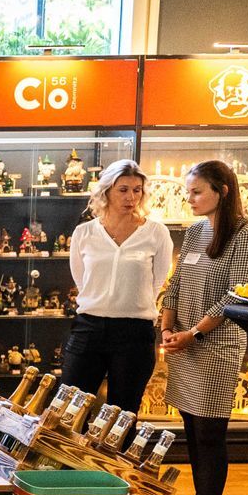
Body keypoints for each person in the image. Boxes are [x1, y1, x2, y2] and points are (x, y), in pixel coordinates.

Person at [157, 160, 248, 495]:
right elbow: (177, 281)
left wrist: (194, 332)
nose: (190, 198)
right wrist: (168, 326)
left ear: (222, 190)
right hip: (183, 341)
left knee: (210, 432)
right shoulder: (194, 231)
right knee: (191, 428)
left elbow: (238, 293)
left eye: (197, 191)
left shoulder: (246, 233)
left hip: (216, 344)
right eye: (188, 191)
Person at [61, 160, 172, 414]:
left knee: (123, 414)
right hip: (89, 327)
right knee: (69, 409)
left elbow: (157, 282)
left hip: (134, 332)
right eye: (123, 189)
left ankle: (114, 456)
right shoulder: (84, 233)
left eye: (137, 190)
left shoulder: (156, 232)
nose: (131, 197)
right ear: (107, 191)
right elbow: (81, 279)